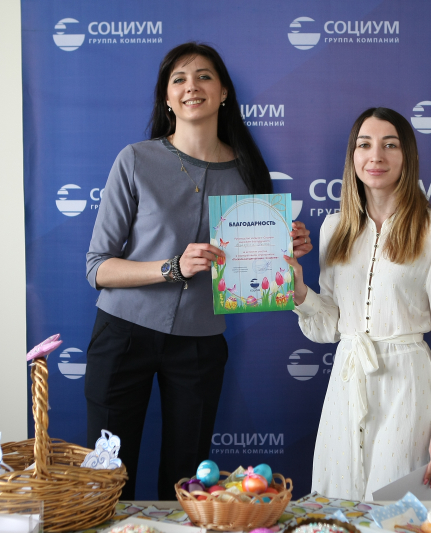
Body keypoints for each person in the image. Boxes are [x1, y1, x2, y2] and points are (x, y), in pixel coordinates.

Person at [85, 42, 312, 500]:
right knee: (107, 479)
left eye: (204, 76)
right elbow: (98, 268)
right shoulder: (135, 159)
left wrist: (286, 251)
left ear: (223, 92)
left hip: (199, 345)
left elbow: (256, 272)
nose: (192, 86)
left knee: (186, 482)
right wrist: (173, 267)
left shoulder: (248, 173)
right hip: (123, 333)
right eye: (180, 79)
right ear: (167, 98)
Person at [283, 107, 431, 500]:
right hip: (346, 382)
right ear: (352, 156)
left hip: (408, 385)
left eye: (390, 145)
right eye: (365, 144)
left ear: (407, 156)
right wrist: (299, 290)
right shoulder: (334, 228)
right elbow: (330, 326)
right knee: (339, 503)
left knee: (398, 509)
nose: (376, 156)